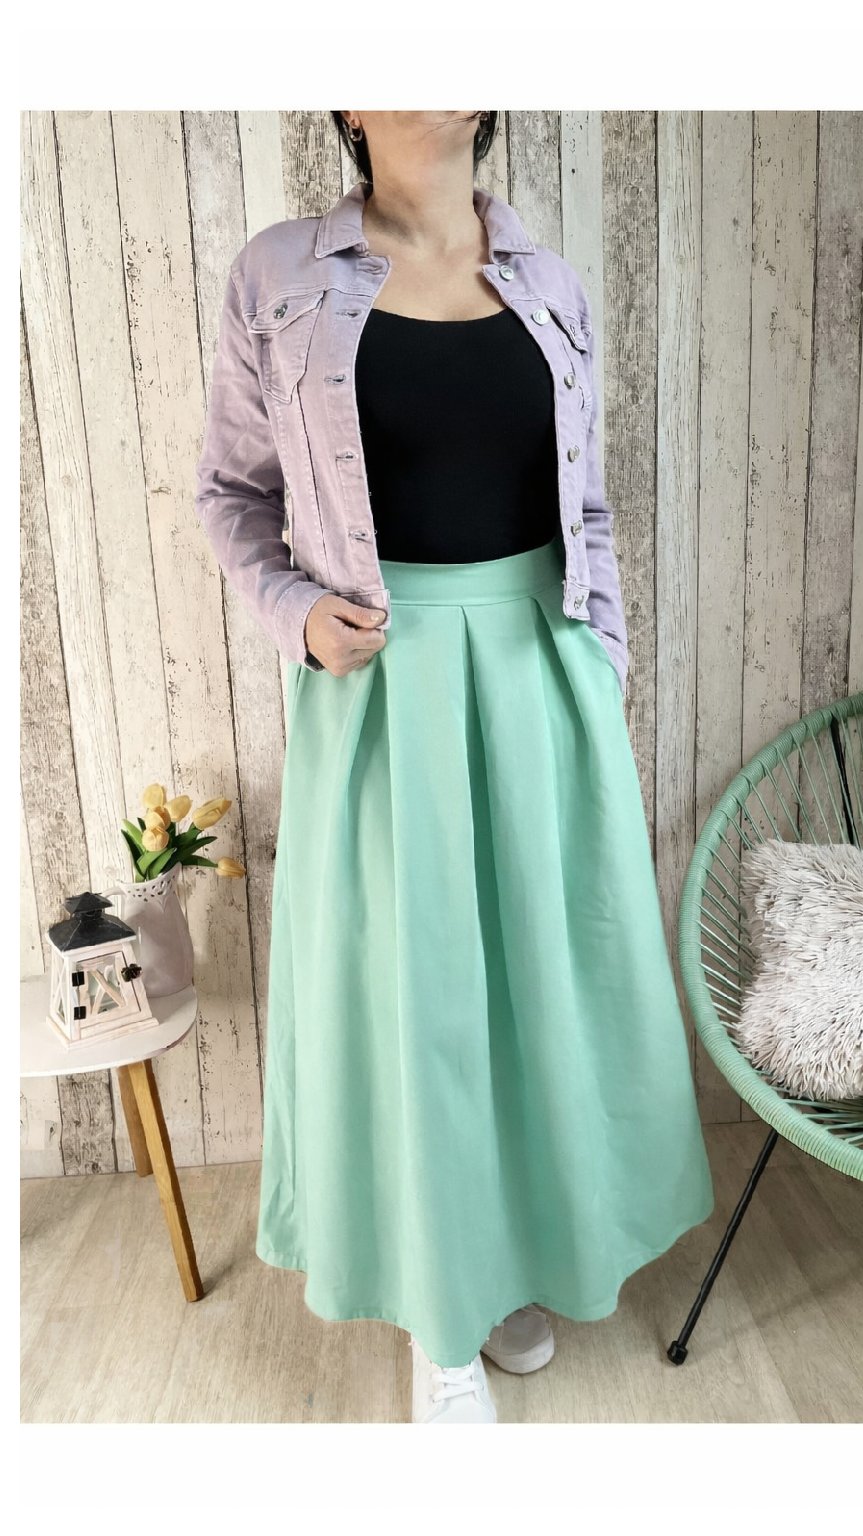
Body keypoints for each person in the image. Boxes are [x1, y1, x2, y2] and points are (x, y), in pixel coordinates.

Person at [194, 109, 714, 1425]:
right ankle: (441, 1314)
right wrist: (294, 616)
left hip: (538, 670)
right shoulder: (279, 275)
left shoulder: (550, 283)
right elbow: (231, 497)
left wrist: (601, 654)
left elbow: (584, 504)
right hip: (384, 685)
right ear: (348, 101)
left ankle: (511, 1257)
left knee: (539, 987)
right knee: (416, 999)